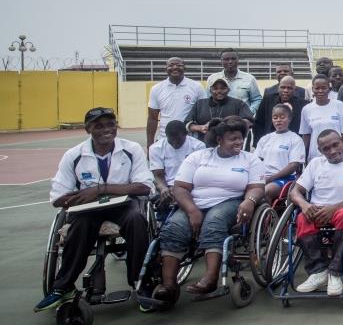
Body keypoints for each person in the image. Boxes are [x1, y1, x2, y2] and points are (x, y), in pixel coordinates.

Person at [35, 108, 154, 312]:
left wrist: (100, 189)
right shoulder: (73, 155)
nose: (107, 129)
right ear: (87, 129)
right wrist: (82, 197)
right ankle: (63, 287)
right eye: (99, 126)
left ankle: (140, 283)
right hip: (89, 209)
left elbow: (144, 187)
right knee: (79, 224)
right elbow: (57, 199)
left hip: (123, 204)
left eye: (111, 124)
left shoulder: (131, 149)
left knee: (137, 220)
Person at [153, 117, 265, 304]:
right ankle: (169, 285)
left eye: (240, 138)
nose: (238, 142)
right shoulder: (198, 157)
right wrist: (192, 211)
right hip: (195, 202)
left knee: (214, 221)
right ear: (219, 139)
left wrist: (250, 201)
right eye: (232, 138)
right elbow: (180, 187)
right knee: (174, 228)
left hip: (230, 201)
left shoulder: (250, 160)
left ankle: (210, 279)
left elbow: (257, 187)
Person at [290, 129, 343, 296]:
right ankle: (318, 271)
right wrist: (305, 205)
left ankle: (335, 273)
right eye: (326, 148)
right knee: (301, 218)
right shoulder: (315, 164)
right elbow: (294, 192)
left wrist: (334, 208)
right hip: (317, 210)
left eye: (335, 145)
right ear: (320, 151)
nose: (333, 151)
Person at [146, 57, 205, 148]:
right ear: (166, 69)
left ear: (185, 68)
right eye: (171, 65)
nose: (175, 67)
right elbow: (152, 119)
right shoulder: (156, 89)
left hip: (190, 140)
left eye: (179, 65)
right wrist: (149, 145)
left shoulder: (197, 87)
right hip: (164, 139)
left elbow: (203, 114)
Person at [254, 104, 305, 207]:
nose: (278, 120)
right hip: (264, 177)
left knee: (265, 192)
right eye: (275, 117)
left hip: (285, 178)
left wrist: (270, 178)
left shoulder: (295, 139)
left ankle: (267, 221)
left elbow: (293, 166)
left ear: (289, 118)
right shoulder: (265, 138)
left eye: (282, 117)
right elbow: (256, 160)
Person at [149, 120, 205, 209]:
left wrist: (178, 189)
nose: (175, 144)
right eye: (171, 141)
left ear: (186, 134)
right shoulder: (156, 148)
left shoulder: (198, 146)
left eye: (178, 141)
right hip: (167, 187)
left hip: (190, 186)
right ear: (166, 136)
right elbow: (158, 176)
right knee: (161, 197)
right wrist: (163, 188)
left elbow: (198, 175)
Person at [300, 75, 343, 161]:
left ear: (329, 89)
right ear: (312, 89)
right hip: (316, 157)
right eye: (317, 88)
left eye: (323, 88)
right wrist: (301, 157)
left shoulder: (339, 105)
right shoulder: (306, 109)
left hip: (337, 155)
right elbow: (306, 135)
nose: (320, 91)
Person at [185, 77, 254, 143]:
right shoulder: (200, 104)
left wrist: (230, 126)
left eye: (223, 88)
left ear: (228, 89)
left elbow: (249, 121)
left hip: (230, 145)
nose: (219, 91)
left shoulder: (238, 103)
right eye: (215, 88)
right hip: (204, 144)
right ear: (210, 90)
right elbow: (187, 124)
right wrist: (201, 127)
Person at [207, 48, 261, 115]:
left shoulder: (249, 79)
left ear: (238, 60)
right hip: (219, 120)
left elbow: (257, 99)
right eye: (226, 59)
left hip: (242, 120)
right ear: (221, 61)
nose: (230, 62)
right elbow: (208, 100)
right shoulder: (212, 79)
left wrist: (248, 113)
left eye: (233, 59)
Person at [253, 75, 308, 140]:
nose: (286, 90)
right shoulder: (267, 100)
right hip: (270, 142)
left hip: (294, 142)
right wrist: (259, 142)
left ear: (294, 89)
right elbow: (258, 123)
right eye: (282, 87)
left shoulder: (303, 105)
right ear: (278, 88)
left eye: (289, 88)